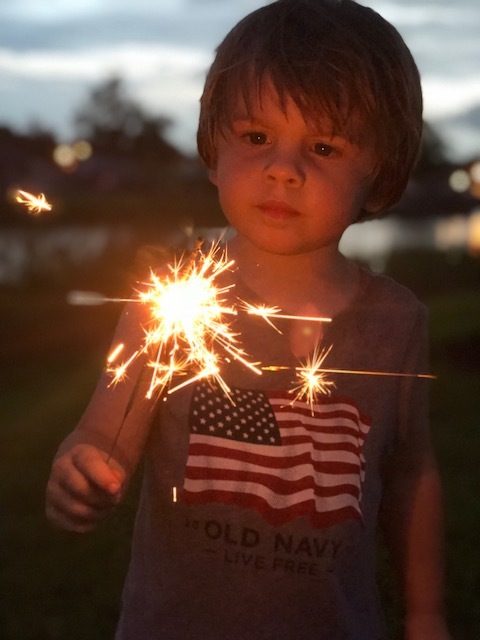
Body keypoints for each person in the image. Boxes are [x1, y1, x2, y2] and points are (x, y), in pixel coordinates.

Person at [45, 1, 451, 638]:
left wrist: (427, 615)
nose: (283, 168)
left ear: (378, 177)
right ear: (214, 150)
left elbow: (411, 472)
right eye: (257, 137)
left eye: (323, 146)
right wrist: (81, 468)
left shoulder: (398, 323)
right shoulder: (171, 302)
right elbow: (103, 434)